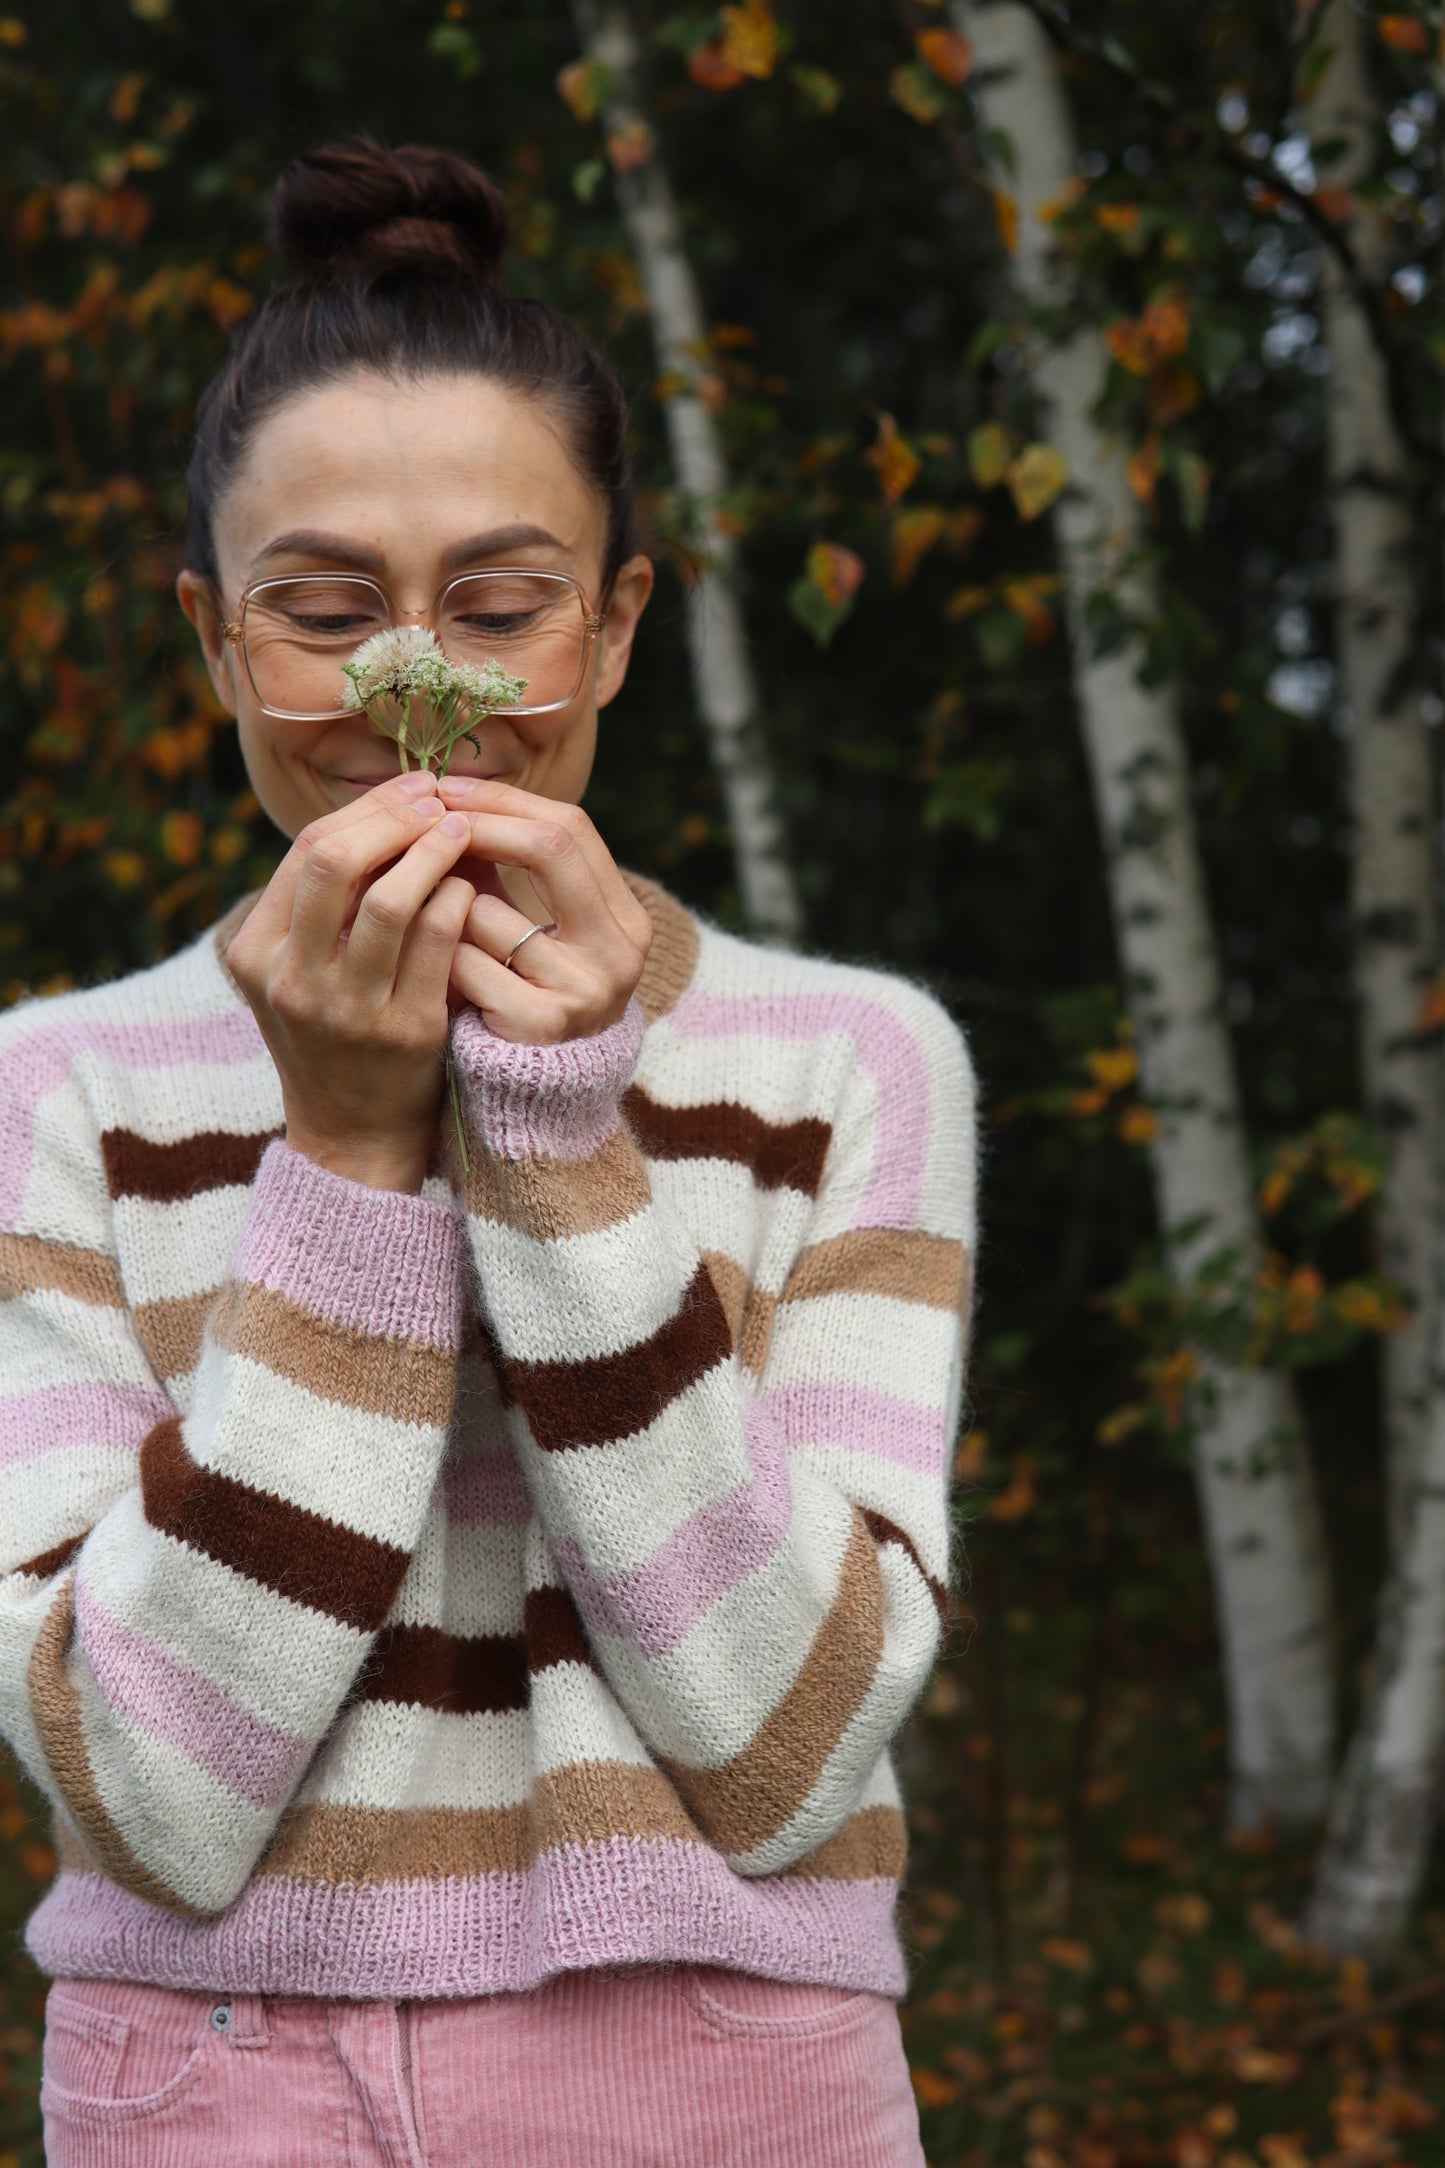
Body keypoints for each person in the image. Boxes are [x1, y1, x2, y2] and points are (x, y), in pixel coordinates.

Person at [0, 137, 978, 2167]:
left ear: (613, 625)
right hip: (213, 2074)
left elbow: (790, 1745)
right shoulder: (47, 1094)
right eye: (324, 611)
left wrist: (553, 1133)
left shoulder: (854, 1063)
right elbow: (150, 1791)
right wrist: (348, 1157)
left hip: (733, 2073)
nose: (411, 690)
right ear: (211, 639)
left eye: (499, 607)